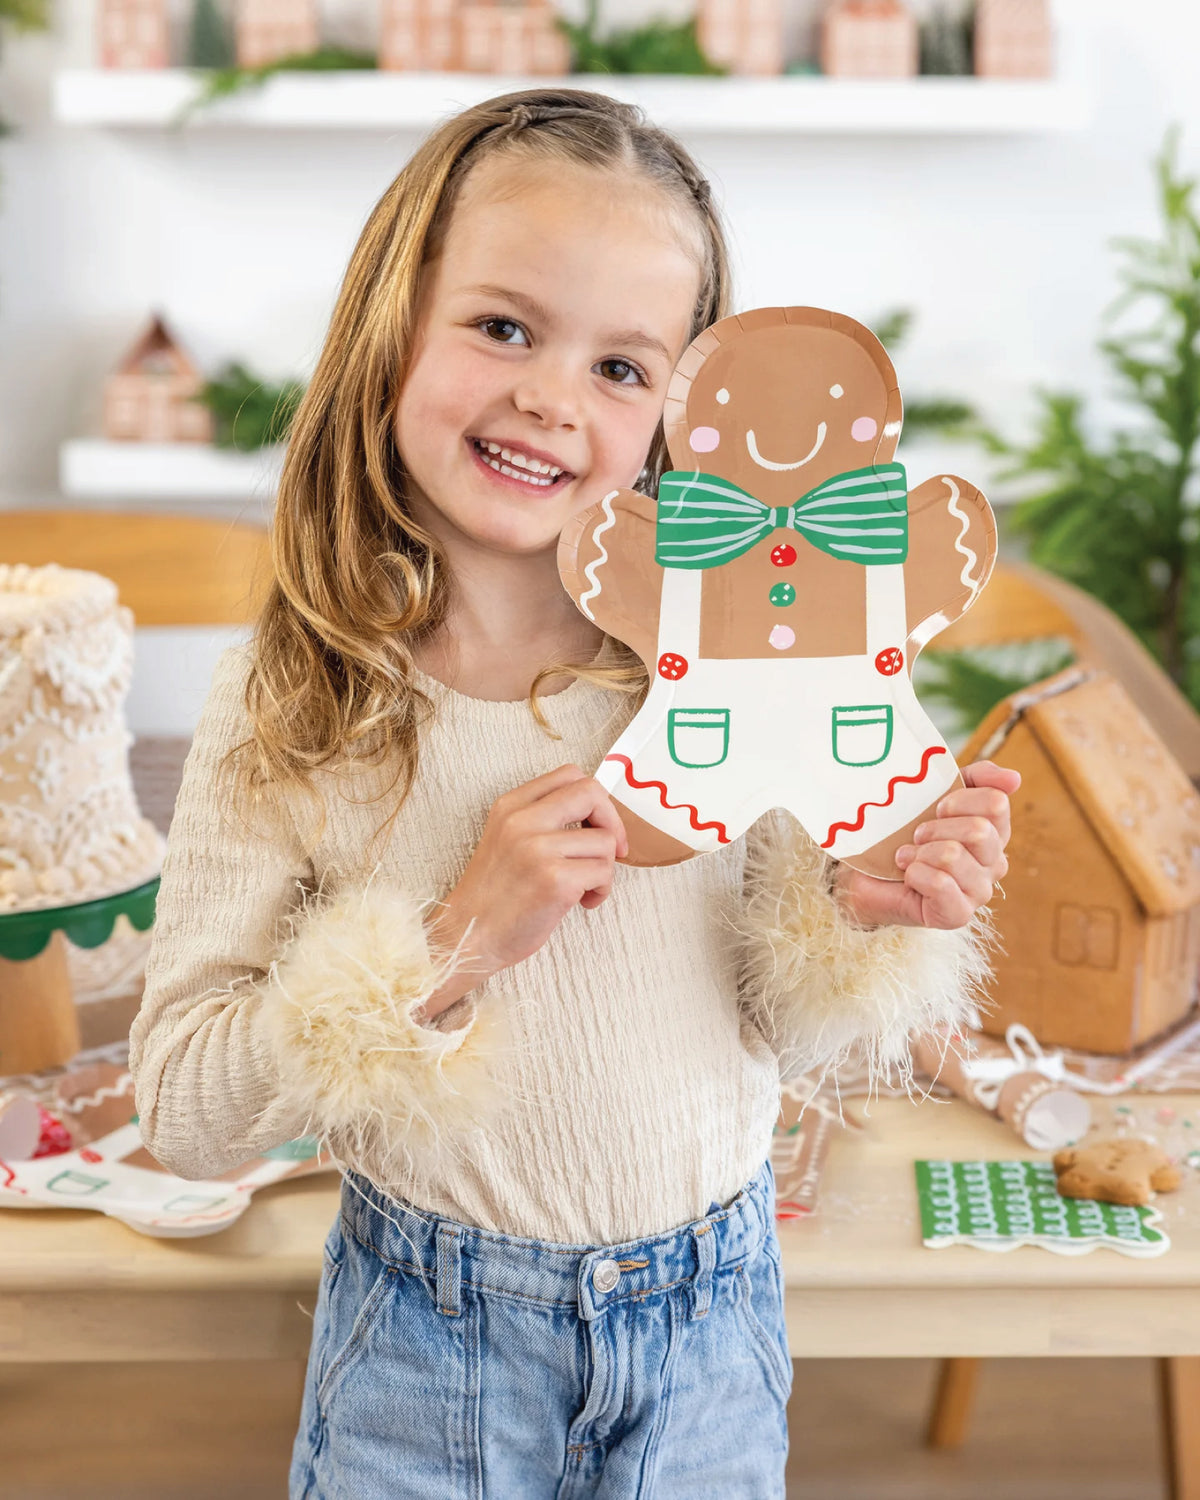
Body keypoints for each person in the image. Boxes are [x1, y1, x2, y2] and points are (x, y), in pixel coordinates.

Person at [129, 88, 1017, 1499]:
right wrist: (446, 944)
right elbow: (181, 1108)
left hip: (709, 1329)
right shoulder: (298, 703)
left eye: (623, 368)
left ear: (686, 413)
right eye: (503, 327)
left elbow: (759, 1039)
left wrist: (859, 911)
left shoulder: (731, 676)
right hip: (430, 1339)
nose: (551, 395)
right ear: (392, 324)